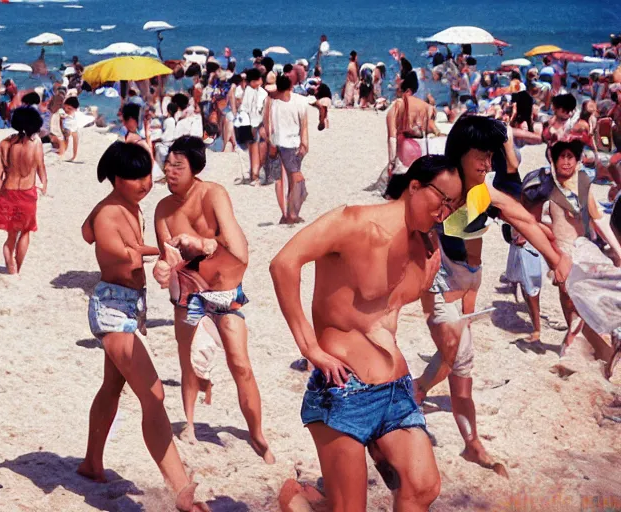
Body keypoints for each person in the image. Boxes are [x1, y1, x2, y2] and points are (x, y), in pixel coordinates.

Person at [271, 155, 462, 512]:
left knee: (423, 487)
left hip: (397, 391)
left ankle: (314, 501)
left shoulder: (425, 247)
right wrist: (310, 347)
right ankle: (297, 501)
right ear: (415, 186)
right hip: (345, 390)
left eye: (453, 205)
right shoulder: (353, 222)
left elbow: (384, 314)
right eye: (443, 199)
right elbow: (284, 263)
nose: (445, 211)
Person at [413, 115, 572, 474]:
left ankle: (465, 439)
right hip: (437, 280)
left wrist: (555, 259)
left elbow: (525, 220)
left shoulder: (484, 192)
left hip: (468, 279)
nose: (488, 165)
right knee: (457, 353)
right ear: (460, 154)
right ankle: (416, 395)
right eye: (481, 157)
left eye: (490, 157)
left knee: (458, 359)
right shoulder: (440, 184)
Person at [79, 141, 208, 512]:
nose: (146, 183)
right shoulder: (108, 214)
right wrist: (166, 250)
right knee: (154, 396)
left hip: (132, 307)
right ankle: (181, 489)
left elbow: (83, 232)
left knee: (112, 386)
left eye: (147, 175)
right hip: (112, 310)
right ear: (117, 179)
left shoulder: (126, 205)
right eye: (136, 177)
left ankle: (91, 462)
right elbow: (117, 249)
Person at [152, 136, 274, 464]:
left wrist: (203, 243)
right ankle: (189, 425)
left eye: (178, 165)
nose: (169, 170)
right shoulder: (162, 210)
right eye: (167, 164)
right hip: (190, 294)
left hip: (223, 291)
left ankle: (257, 434)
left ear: (195, 168)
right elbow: (169, 260)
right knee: (188, 363)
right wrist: (162, 270)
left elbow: (238, 249)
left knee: (240, 365)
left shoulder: (214, 194)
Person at [543, 140, 618, 376]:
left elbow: (598, 219)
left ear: (577, 161)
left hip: (582, 249)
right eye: (561, 157)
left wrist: (618, 250)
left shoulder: (584, 184)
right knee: (568, 301)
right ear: (554, 161)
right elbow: (535, 218)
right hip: (559, 251)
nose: (565, 161)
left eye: (570, 157)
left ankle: (577, 348)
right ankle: (577, 345)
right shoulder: (545, 187)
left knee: (584, 299)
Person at [0, 108, 47, 274]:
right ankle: (17, 269)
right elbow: (41, 167)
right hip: (27, 193)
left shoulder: (5, 144)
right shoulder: (37, 143)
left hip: (8, 193)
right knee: (26, 231)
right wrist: (45, 184)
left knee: (11, 237)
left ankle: (10, 267)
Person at [268, 75, 309, 224]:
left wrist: (271, 144)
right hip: (290, 145)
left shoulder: (273, 102)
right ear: (291, 86)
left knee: (280, 181)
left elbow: (270, 127)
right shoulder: (299, 101)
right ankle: (292, 214)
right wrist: (305, 143)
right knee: (295, 179)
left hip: (277, 144)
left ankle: (285, 213)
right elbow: (304, 124)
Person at [236, 69, 266, 185]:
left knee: (254, 150)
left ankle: (254, 175)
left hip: (253, 124)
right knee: (255, 150)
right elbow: (250, 109)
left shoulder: (255, 91)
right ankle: (255, 176)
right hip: (254, 124)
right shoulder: (255, 92)